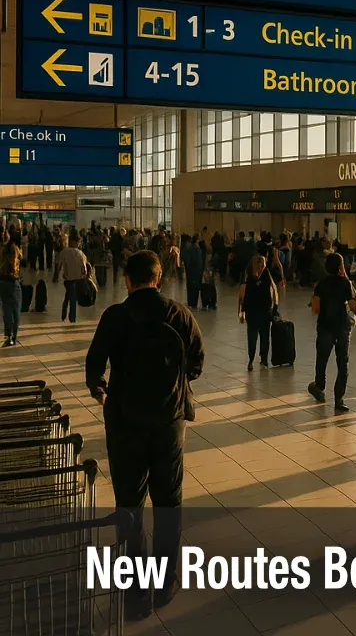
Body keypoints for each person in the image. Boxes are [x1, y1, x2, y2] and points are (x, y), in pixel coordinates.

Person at [85, 250, 204, 619]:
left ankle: (137, 591)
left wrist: (101, 390)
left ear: (127, 280)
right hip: (169, 425)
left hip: (125, 424)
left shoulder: (115, 317)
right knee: (168, 501)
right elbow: (196, 363)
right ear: (159, 278)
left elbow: (94, 367)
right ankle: (166, 583)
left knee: (130, 505)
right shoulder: (180, 315)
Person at [308, 253, 356, 414]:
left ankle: (319, 386)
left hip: (325, 327)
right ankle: (339, 399)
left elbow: (315, 309)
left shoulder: (321, 285)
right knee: (343, 363)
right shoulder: (345, 283)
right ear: (341, 267)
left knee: (322, 359)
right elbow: (354, 306)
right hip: (341, 328)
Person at [238, 254, 278, 372]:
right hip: (260, 312)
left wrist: (241, 312)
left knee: (255, 337)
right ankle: (260, 360)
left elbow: (243, 297)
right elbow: (243, 297)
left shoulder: (251, 278)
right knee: (261, 337)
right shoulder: (262, 277)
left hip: (257, 312)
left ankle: (257, 360)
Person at [54, 232, 90, 323]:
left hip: (68, 280)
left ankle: (63, 314)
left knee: (68, 296)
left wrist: (56, 276)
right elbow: (85, 269)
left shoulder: (64, 252)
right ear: (76, 242)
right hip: (77, 279)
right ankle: (72, 318)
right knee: (73, 300)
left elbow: (58, 265)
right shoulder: (81, 253)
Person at [0, 240, 21, 347]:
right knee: (16, 311)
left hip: (3, 282)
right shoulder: (15, 256)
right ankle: (14, 337)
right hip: (14, 283)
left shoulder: (3, 254)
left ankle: (8, 335)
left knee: (6, 310)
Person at [179, 234, 204, 310]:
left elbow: (182, 258)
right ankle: (194, 304)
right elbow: (200, 263)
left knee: (189, 286)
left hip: (189, 271)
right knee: (195, 287)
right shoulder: (197, 250)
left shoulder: (187, 249)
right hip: (196, 271)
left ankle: (190, 302)